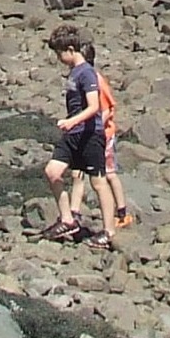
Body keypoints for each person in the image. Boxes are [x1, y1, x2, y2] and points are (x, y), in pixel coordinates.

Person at [39, 25, 118, 248]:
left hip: (90, 133)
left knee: (98, 182)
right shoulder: (74, 72)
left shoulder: (87, 73)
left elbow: (95, 106)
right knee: (52, 172)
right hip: (73, 135)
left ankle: (109, 230)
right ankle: (67, 218)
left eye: (59, 53)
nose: (58, 58)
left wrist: (73, 120)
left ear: (71, 49)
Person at [65, 40, 136, 230]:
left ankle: (121, 212)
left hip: (102, 134)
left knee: (108, 174)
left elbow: (107, 108)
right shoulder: (81, 77)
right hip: (87, 133)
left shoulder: (94, 79)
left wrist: (94, 126)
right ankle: (74, 212)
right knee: (78, 173)